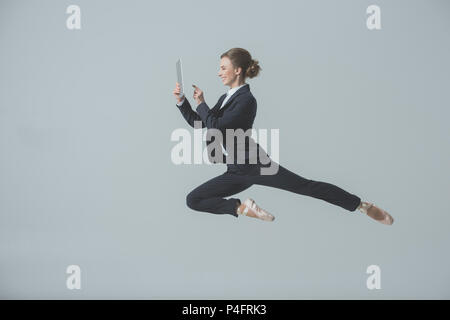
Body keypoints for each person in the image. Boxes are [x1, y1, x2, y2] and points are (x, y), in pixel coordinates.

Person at [172, 48, 394, 225]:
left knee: (307, 187)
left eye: (223, 68)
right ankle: (241, 208)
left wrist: (202, 104)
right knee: (193, 200)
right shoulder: (225, 97)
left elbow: (217, 127)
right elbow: (202, 123)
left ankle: (362, 206)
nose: (219, 72)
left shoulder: (246, 100)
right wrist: (183, 102)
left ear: (237, 70)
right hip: (236, 169)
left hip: (255, 164)